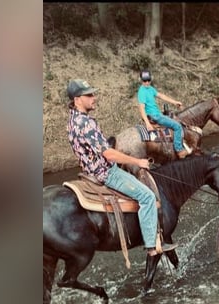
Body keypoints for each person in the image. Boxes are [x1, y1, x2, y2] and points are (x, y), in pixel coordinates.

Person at [66, 78, 177, 255]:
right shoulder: (86, 123)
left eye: (93, 94)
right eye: (88, 95)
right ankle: (152, 246)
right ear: (77, 100)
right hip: (106, 173)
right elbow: (108, 154)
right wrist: (138, 161)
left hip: (89, 171)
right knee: (147, 196)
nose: (94, 98)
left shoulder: (72, 121)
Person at [137, 70, 189, 159]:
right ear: (141, 80)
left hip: (157, 113)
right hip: (155, 116)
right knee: (177, 126)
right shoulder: (141, 92)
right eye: (144, 81)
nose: (147, 83)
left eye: (148, 80)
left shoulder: (150, 88)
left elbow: (161, 96)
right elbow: (141, 108)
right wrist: (147, 123)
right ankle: (179, 150)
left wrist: (174, 102)